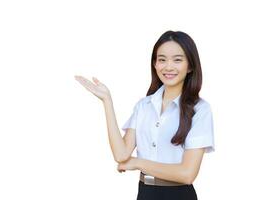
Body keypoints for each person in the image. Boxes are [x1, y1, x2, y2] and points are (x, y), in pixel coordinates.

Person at [74, 30, 215, 200]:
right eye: (162, 59)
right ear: (155, 64)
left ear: (190, 66)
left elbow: (187, 174)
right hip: (145, 192)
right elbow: (121, 155)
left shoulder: (200, 109)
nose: (168, 66)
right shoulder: (144, 106)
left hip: (179, 195)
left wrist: (137, 163)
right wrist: (107, 101)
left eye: (177, 60)